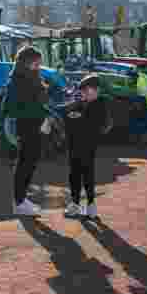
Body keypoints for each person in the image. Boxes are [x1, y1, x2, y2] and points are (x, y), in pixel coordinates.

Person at [5, 45, 51, 216]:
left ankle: (21, 199)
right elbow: (10, 108)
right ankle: (18, 201)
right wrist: (39, 113)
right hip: (26, 127)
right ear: (25, 62)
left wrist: (45, 114)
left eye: (39, 63)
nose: (38, 67)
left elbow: (39, 101)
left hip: (35, 126)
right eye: (36, 63)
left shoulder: (33, 78)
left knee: (31, 162)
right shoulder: (17, 81)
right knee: (25, 163)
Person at [63, 74, 108, 219]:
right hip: (77, 145)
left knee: (84, 174)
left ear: (94, 90)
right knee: (76, 175)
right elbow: (68, 115)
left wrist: (75, 115)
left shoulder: (98, 105)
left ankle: (87, 204)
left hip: (86, 145)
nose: (84, 94)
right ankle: (81, 204)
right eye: (83, 92)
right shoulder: (83, 104)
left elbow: (91, 124)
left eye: (86, 91)